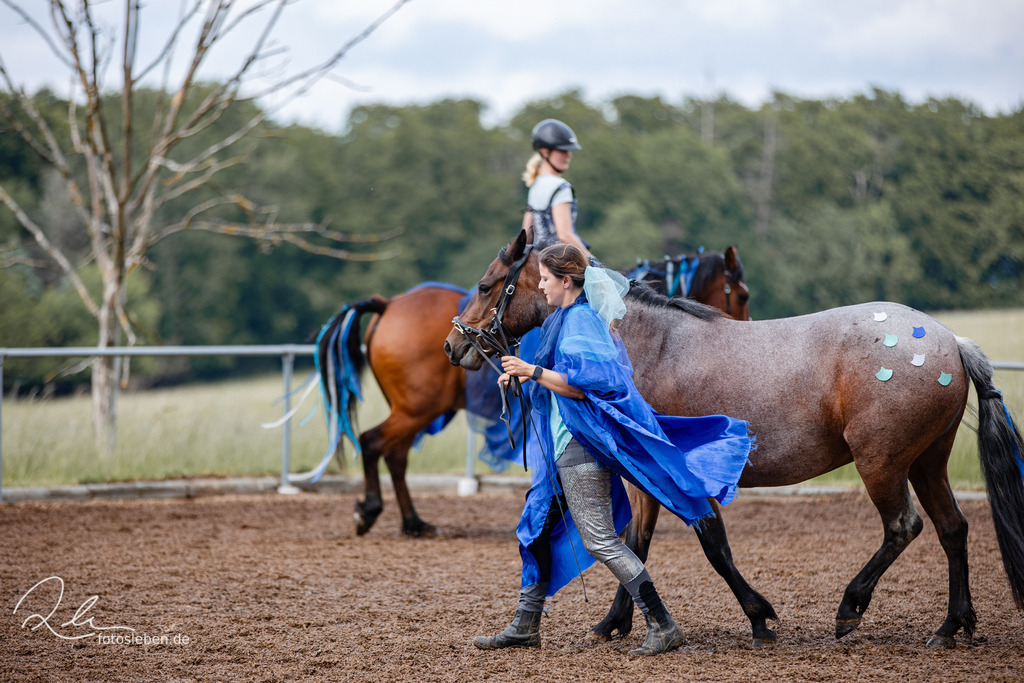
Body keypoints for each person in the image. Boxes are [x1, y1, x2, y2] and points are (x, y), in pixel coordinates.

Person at [473, 244, 752, 657]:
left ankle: (663, 624)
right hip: (560, 446)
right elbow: (561, 378)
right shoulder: (563, 319)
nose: (542, 286)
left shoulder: (582, 320)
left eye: (546, 279)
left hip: (580, 445)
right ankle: (524, 624)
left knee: (601, 539)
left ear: (566, 281)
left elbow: (588, 384)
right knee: (533, 527)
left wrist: (532, 370)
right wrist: (527, 378)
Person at [520, 119, 592, 259]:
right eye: (563, 151)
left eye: (569, 151)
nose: (568, 156)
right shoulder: (561, 187)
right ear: (545, 152)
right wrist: (593, 262)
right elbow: (564, 235)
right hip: (559, 262)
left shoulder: (535, 184)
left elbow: (526, 233)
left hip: (538, 260)